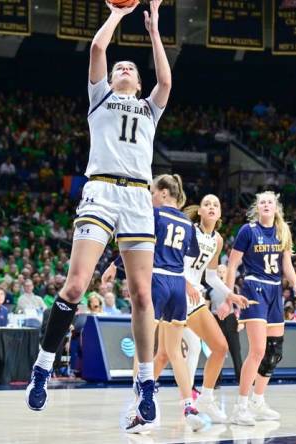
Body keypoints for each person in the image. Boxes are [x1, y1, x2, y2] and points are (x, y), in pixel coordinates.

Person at [26, 0, 171, 435]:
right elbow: (95, 49)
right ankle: (43, 367)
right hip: (102, 190)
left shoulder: (150, 107)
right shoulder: (100, 98)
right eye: (119, 66)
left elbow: (166, 78)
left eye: (131, 68)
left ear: (138, 81)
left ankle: (146, 383)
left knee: (143, 296)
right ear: (109, 79)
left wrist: (155, 29)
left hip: (138, 198)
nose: (124, 68)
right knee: (75, 284)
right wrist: (118, 14)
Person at [102, 174, 207, 432]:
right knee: (175, 353)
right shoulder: (187, 222)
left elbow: (139, 247)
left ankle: (140, 408)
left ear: (162, 193)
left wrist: (116, 265)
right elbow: (188, 255)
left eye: (151, 193)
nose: (149, 198)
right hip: (178, 285)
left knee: (143, 349)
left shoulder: (156, 215)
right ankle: (189, 408)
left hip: (157, 280)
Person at [225, 191, 296, 426]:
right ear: (257, 208)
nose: (266, 205)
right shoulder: (248, 230)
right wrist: (229, 294)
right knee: (257, 350)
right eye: (262, 202)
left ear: (276, 207)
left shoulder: (282, 232)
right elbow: (232, 264)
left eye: (270, 202)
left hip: (275, 290)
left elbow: (287, 264)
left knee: (274, 352)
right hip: (254, 289)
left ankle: (258, 401)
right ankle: (241, 406)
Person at [175, 194, 247, 424]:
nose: (212, 207)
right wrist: (186, 284)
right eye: (207, 204)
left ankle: (206, 397)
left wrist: (230, 294)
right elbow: (174, 262)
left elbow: (212, 276)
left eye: (216, 204)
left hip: (195, 296)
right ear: (200, 212)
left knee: (219, 347)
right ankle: (142, 401)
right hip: (176, 292)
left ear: (219, 212)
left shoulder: (217, 240)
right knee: (164, 353)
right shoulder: (188, 230)